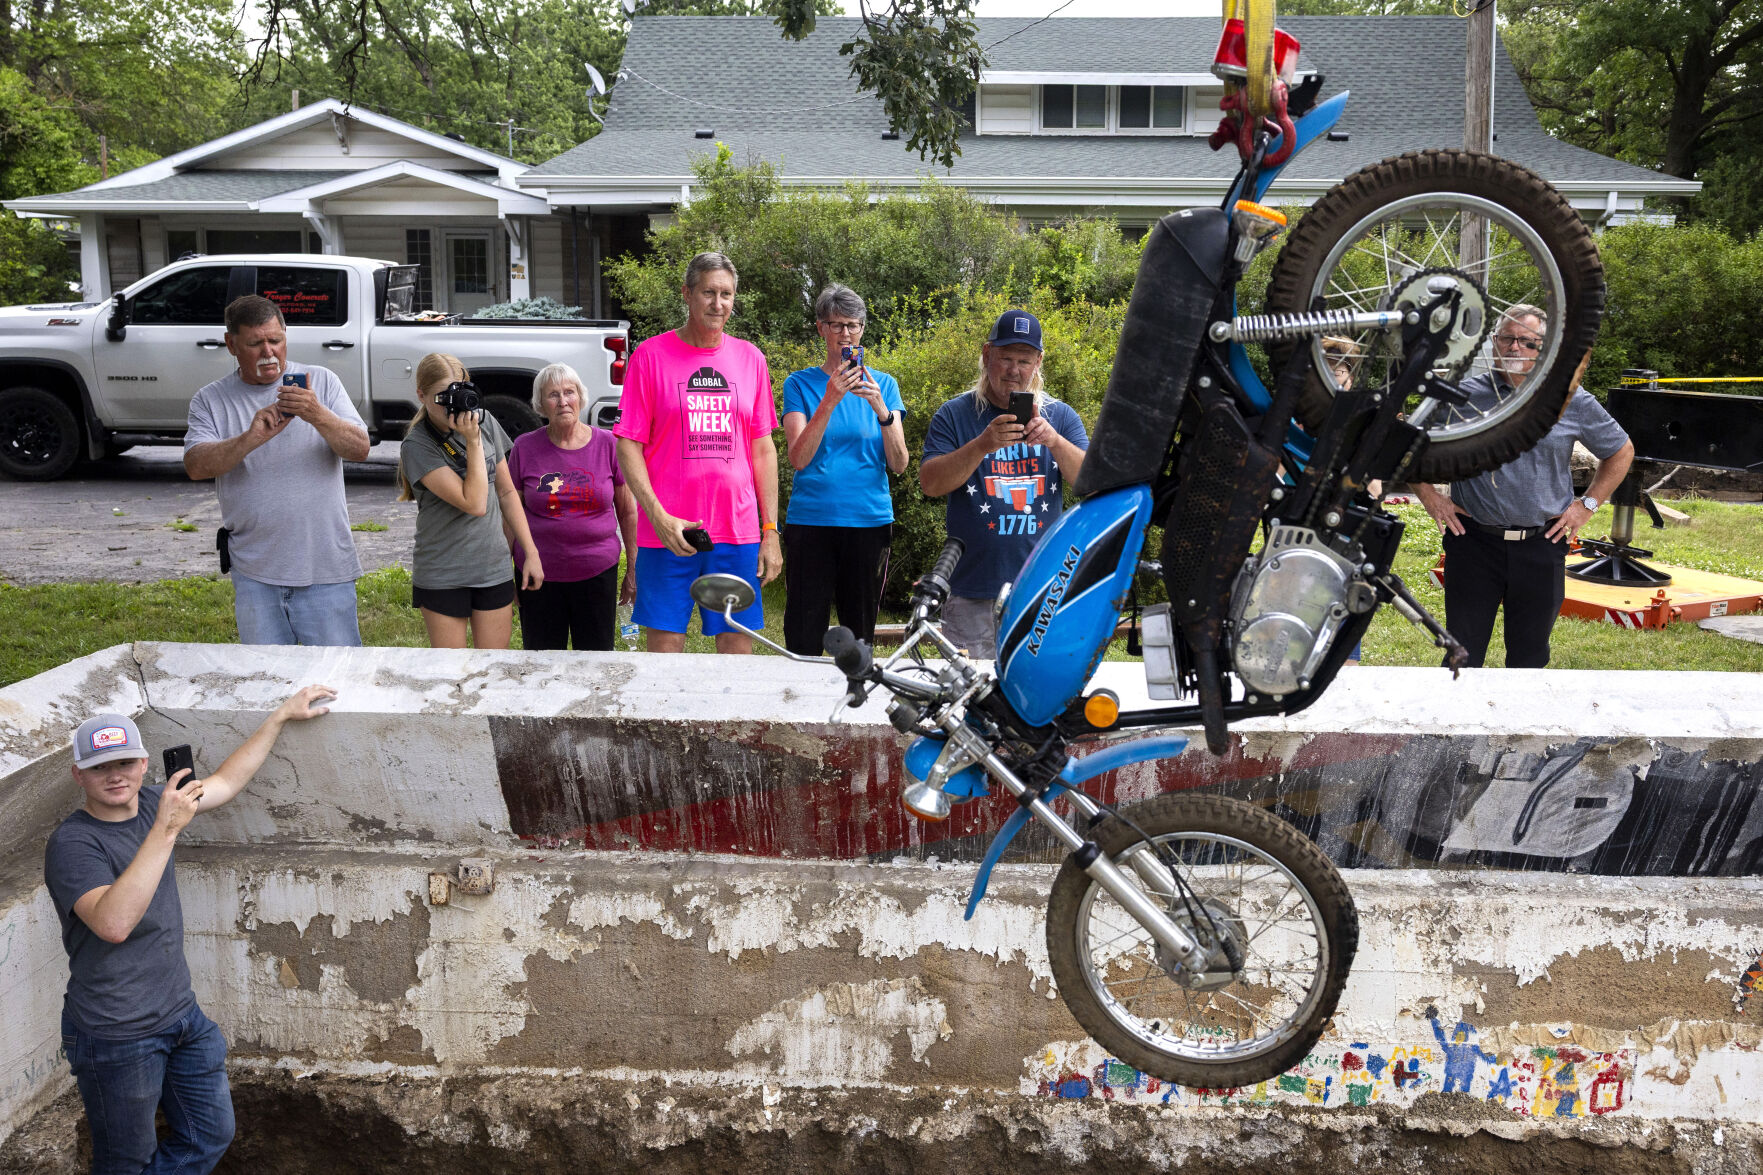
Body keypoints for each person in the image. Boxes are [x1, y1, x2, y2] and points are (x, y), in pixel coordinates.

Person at [45, 688, 336, 1175]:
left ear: (142, 765)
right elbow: (114, 923)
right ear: (79, 775)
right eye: (98, 767)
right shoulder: (74, 843)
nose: (114, 775)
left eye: (123, 763)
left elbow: (224, 782)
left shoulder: (159, 803)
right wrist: (167, 829)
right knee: (125, 1162)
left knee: (210, 1134)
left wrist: (280, 715)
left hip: (182, 1017)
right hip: (116, 1034)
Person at [1412, 305, 1634, 668]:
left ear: (1545, 349)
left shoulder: (1569, 399)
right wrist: (1430, 497)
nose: (1515, 348)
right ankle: (1453, 725)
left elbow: (1621, 451)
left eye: (1528, 342)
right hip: (1473, 543)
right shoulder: (1462, 396)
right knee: (1462, 653)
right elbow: (1407, 444)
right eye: (1507, 339)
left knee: (1530, 656)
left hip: (1541, 545)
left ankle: (1520, 727)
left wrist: (1587, 505)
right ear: (1494, 343)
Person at [614, 252, 781, 653]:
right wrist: (656, 516)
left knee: (737, 649)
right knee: (665, 653)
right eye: (708, 292)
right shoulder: (650, 357)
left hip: (736, 530)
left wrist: (770, 531)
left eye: (726, 294)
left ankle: (730, 721)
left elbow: (763, 450)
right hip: (669, 532)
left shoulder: (751, 359)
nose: (718, 304)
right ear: (687, 294)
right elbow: (628, 444)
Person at [184, 295, 369, 646]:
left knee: (336, 679)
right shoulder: (211, 399)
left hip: (325, 567)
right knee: (267, 683)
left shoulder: (322, 383)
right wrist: (250, 438)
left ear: (286, 336)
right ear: (231, 345)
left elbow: (359, 449)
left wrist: (318, 414)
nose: (268, 352)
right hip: (255, 572)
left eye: (276, 340)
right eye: (255, 343)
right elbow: (195, 466)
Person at [919, 309, 1089, 658]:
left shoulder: (1060, 417)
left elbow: (1091, 483)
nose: (1014, 370)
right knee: (970, 694)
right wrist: (983, 444)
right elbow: (931, 483)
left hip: (1043, 589)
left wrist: (1055, 442)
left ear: (1038, 361)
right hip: (971, 589)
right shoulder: (954, 414)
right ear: (987, 355)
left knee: (1036, 687)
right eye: (1006, 358)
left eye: (1024, 360)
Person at [780, 284, 908, 655]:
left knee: (860, 634)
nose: (845, 335)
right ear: (821, 329)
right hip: (813, 521)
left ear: (863, 330)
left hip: (868, 521)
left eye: (853, 325)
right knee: (804, 630)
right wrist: (831, 398)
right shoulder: (800, 383)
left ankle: (854, 705)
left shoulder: (884, 385)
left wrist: (883, 411)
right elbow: (798, 457)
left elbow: (899, 464)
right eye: (836, 326)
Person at [397, 353, 543, 649]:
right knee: (452, 675)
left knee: (490, 670)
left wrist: (530, 551)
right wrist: (474, 442)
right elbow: (474, 502)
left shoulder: (484, 421)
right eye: (441, 397)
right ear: (421, 395)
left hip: (492, 567)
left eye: (457, 394)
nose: (451, 407)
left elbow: (506, 492)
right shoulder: (417, 445)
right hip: (443, 572)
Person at [506, 363, 638, 650]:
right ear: (541, 404)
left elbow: (627, 510)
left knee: (595, 660)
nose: (563, 401)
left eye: (570, 392)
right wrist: (506, 567)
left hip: (597, 570)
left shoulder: (609, 444)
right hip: (538, 572)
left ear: (581, 397)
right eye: (553, 395)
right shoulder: (524, 448)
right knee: (541, 660)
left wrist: (634, 568)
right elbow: (510, 510)